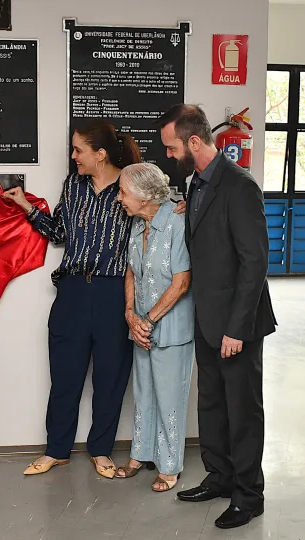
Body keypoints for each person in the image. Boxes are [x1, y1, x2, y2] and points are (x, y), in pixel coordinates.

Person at [157, 104, 276, 528]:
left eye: (172, 148)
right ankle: (220, 477)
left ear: (193, 142)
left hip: (235, 326)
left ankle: (249, 495)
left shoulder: (240, 186)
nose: (168, 156)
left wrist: (237, 328)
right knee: (211, 405)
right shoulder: (196, 185)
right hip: (205, 319)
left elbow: (254, 263)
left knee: (242, 410)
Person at [2, 119, 141, 479]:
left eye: (79, 150)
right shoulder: (73, 185)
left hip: (114, 292)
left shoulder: (131, 185)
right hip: (73, 291)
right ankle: (56, 450)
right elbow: (59, 233)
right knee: (65, 375)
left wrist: (181, 207)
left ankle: (101, 450)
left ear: (101, 154)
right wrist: (26, 207)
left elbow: (155, 215)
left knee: (111, 377)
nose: (73, 156)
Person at [112, 162, 193, 493]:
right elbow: (131, 271)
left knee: (169, 396)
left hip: (170, 328)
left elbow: (182, 282)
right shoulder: (136, 224)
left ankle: (170, 465)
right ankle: (140, 454)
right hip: (141, 326)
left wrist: (148, 320)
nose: (119, 199)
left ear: (144, 195)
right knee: (143, 392)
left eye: (123, 192)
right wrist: (130, 314)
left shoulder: (177, 221)